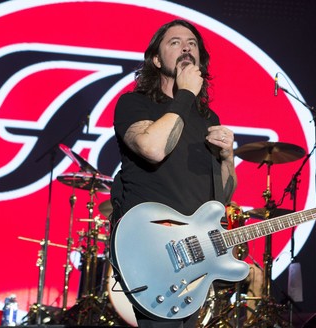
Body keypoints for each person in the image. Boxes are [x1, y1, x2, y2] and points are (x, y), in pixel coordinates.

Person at [110, 19, 237, 328]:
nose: (185, 47)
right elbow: (153, 148)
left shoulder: (207, 118)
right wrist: (185, 95)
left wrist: (227, 157)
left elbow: (222, 198)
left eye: (192, 43)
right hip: (150, 248)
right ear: (156, 59)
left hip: (194, 253)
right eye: (175, 42)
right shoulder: (134, 103)